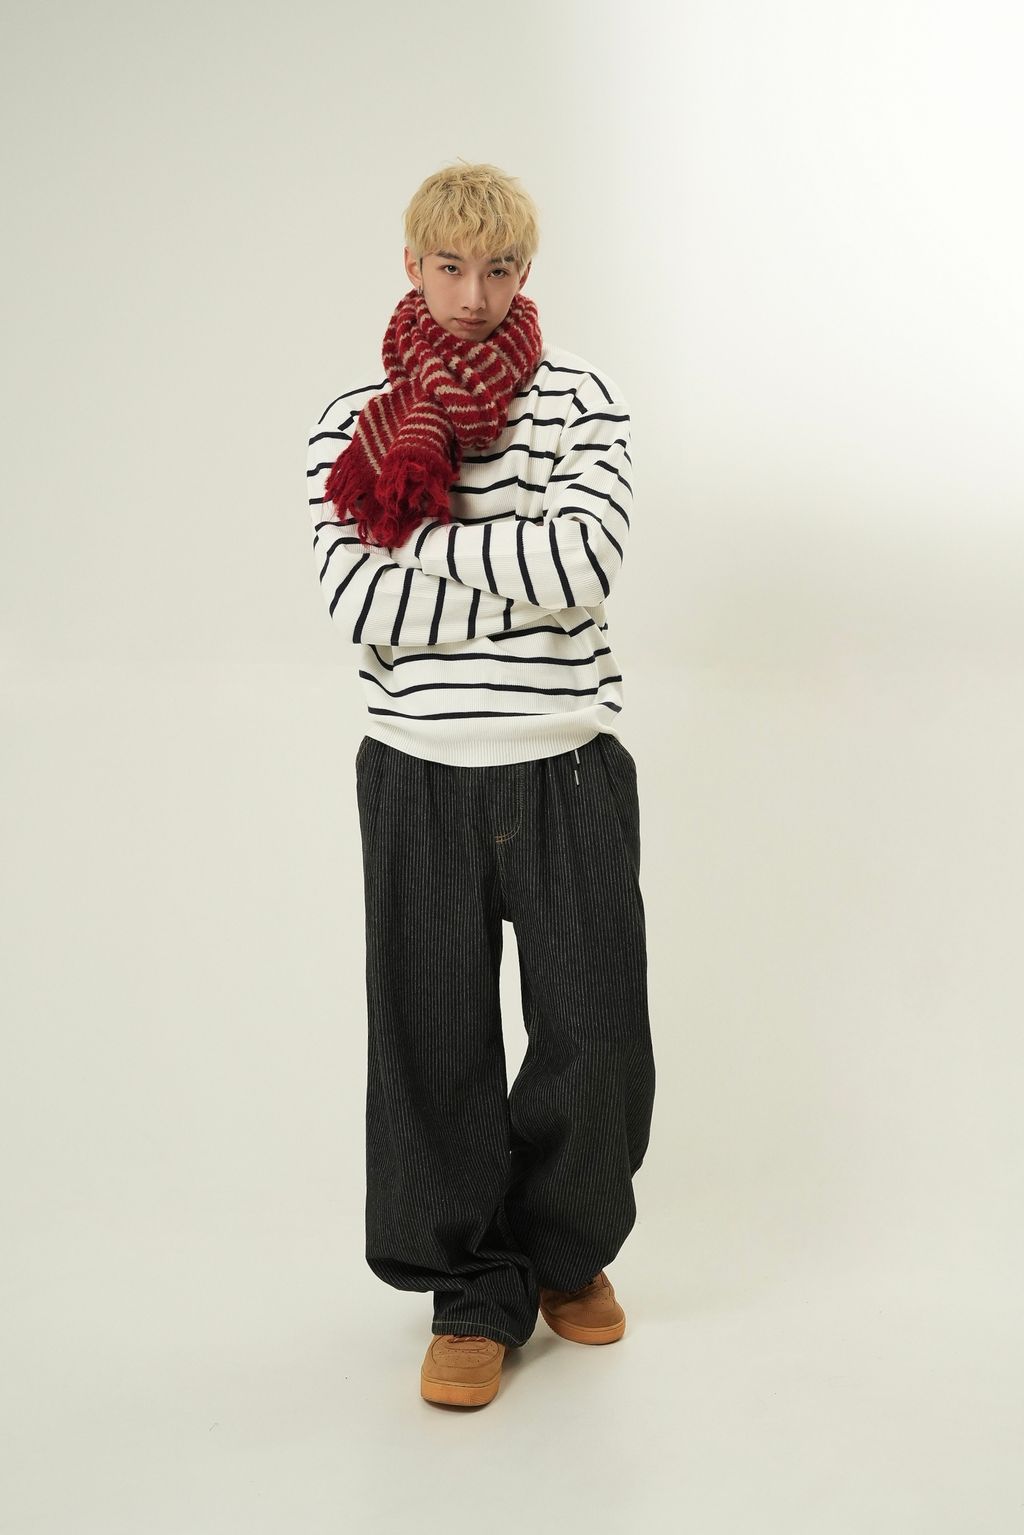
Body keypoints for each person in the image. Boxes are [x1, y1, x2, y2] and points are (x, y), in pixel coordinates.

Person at [305, 160, 656, 1408]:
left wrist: (424, 539)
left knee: (595, 1033)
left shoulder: (577, 401)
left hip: (567, 763)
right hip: (416, 771)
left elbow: (585, 562)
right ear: (412, 266)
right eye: (449, 267)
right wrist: (516, 570)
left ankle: (561, 1252)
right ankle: (469, 1290)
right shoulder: (352, 420)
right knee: (432, 1042)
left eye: (497, 269)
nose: (471, 294)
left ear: (524, 271)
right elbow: (355, 597)